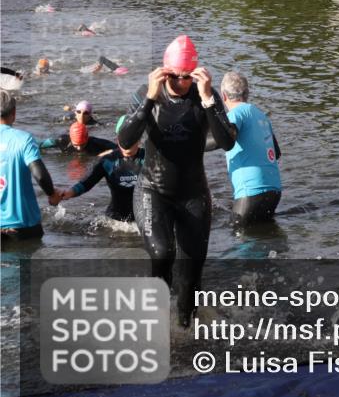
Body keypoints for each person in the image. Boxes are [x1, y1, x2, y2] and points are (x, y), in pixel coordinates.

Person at [118, 35, 236, 326]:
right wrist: (148, 98)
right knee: (162, 253)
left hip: (193, 192)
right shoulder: (147, 92)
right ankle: (154, 319)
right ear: (164, 71)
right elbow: (125, 139)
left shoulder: (203, 94)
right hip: (153, 190)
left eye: (187, 77)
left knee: (192, 268)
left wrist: (208, 98)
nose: (182, 83)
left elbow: (227, 141)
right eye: (175, 77)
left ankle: (186, 327)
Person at [53, 116, 144, 222]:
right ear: (117, 138)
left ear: (140, 138)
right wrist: (68, 193)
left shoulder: (152, 159)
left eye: (132, 138)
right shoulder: (107, 161)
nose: (127, 143)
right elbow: (86, 183)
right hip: (115, 222)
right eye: (123, 137)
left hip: (146, 221)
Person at [219, 71, 282, 225]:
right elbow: (277, 153)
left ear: (224, 96)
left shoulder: (235, 114)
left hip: (250, 192)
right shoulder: (261, 115)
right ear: (247, 93)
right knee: (265, 235)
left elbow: (226, 139)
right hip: (274, 191)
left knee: (241, 239)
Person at [1, 91, 59, 243]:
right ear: (14, 112)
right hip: (23, 226)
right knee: (22, 265)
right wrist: (52, 194)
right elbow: (40, 175)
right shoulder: (23, 139)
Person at [38, 121, 115, 155]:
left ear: (87, 138)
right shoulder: (61, 141)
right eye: (76, 145)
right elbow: (39, 145)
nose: (79, 148)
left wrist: (103, 154)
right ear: (71, 139)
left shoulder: (95, 143)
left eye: (82, 144)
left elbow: (119, 148)